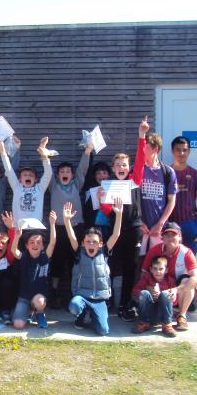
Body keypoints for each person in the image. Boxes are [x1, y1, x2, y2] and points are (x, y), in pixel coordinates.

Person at [99, 117, 149, 320]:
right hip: (115, 230)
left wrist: (142, 135)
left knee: (131, 267)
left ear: (129, 168)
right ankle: (109, 300)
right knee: (112, 266)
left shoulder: (134, 180)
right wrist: (104, 202)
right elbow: (106, 210)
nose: (121, 167)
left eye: (125, 165)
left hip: (134, 229)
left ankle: (127, 304)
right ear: (113, 168)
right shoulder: (108, 185)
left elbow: (140, 159)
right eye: (118, 164)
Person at [64, 197, 123, 336]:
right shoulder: (79, 252)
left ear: (100, 244)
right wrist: (67, 221)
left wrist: (119, 214)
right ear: (83, 243)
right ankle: (81, 315)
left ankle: (94, 315)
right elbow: (72, 237)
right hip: (82, 296)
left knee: (103, 331)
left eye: (94, 242)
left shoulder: (104, 252)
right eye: (88, 241)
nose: (91, 244)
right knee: (74, 306)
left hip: (99, 298)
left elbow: (116, 234)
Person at [48, 143, 91, 308]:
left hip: (76, 227)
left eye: (68, 171)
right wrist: (45, 156)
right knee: (57, 262)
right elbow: (47, 173)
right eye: (62, 171)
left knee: (75, 261)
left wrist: (87, 151)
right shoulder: (53, 185)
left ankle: (77, 294)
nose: (65, 173)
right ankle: (55, 292)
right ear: (57, 175)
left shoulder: (76, 184)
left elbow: (82, 169)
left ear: (72, 175)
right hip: (58, 228)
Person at [141, 222, 197, 331]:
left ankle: (181, 316)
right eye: (167, 235)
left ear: (180, 237)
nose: (170, 238)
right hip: (159, 289)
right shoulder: (154, 251)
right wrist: (149, 288)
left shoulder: (186, 253)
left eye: (174, 235)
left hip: (178, 290)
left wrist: (176, 290)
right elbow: (144, 273)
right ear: (162, 238)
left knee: (188, 281)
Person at [10, 210, 57, 329]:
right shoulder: (24, 256)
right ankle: (29, 313)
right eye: (32, 242)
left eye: (38, 242)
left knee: (39, 301)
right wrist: (17, 236)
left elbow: (52, 243)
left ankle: (40, 313)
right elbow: (13, 250)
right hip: (24, 297)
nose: (35, 245)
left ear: (42, 246)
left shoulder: (45, 256)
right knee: (18, 325)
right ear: (26, 245)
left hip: (38, 297)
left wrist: (52, 224)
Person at [0, 137, 53, 230]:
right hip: (18, 229)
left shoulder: (40, 189)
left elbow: (48, 173)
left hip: (36, 229)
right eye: (25, 175)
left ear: (36, 179)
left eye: (31, 175)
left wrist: (44, 155)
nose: (28, 176)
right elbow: (9, 170)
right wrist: (3, 152)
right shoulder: (17, 187)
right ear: (20, 178)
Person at [140, 132, 177, 254]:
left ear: (155, 149)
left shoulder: (168, 172)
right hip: (140, 227)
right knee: (137, 265)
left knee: (158, 263)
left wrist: (160, 224)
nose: (141, 150)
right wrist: (138, 222)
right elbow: (129, 199)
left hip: (159, 229)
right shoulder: (136, 169)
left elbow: (172, 200)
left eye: (144, 147)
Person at [170, 136, 197, 254]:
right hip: (169, 225)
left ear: (189, 151)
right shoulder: (166, 173)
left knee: (189, 265)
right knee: (168, 264)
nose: (181, 153)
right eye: (178, 149)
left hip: (189, 225)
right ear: (172, 151)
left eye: (184, 150)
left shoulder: (196, 175)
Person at [131, 256, 177, 337]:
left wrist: (163, 295)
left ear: (166, 270)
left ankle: (167, 324)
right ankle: (144, 323)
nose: (157, 271)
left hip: (162, 313)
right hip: (148, 312)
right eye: (155, 268)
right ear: (151, 269)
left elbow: (175, 300)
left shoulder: (170, 280)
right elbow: (135, 291)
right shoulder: (146, 277)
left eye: (161, 269)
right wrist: (147, 290)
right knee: (144, 293)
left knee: (166, 294)